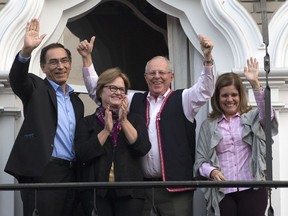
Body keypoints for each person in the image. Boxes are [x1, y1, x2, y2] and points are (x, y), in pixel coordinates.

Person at [77, 35, 214, 216]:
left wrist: (207, 58)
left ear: (171, 76)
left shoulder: (184, 99)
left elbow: (205, 89)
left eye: (162, 73)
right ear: (145, 77)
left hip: (174, 189)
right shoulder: (133, 99)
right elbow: (101, 90)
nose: (157, 77)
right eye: (152, 73)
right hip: (140, 187)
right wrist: (87, 60)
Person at [4, 18, 84, 216]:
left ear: (70, 64)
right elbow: (17, 79)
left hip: (73, 174)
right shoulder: (36, 87)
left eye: (64, 61)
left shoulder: (77, 102)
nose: (60, 66)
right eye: (53, 62)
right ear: (43, 67)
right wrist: (26, 52)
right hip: (43, 172)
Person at [193, 58, 278, 216]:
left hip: (252, 188)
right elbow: (200, 161)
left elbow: (268, 118)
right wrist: (211, 171)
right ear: (217, 98)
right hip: (222, 193)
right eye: (225, 95)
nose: (230, 99)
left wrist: (255, 84)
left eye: (234, 94)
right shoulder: (208, 125)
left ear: (240, 96)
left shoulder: (251, 117)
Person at [74, 67, 151, 216]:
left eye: (122, 89)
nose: (118, 93)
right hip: (95, 192)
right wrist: (106, 131)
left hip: (130, 192)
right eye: (113, 88)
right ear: (101, 90)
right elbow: (82, 153)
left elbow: (142, 148)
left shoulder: (135, 120)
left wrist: (124, 121)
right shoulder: (87, 122)